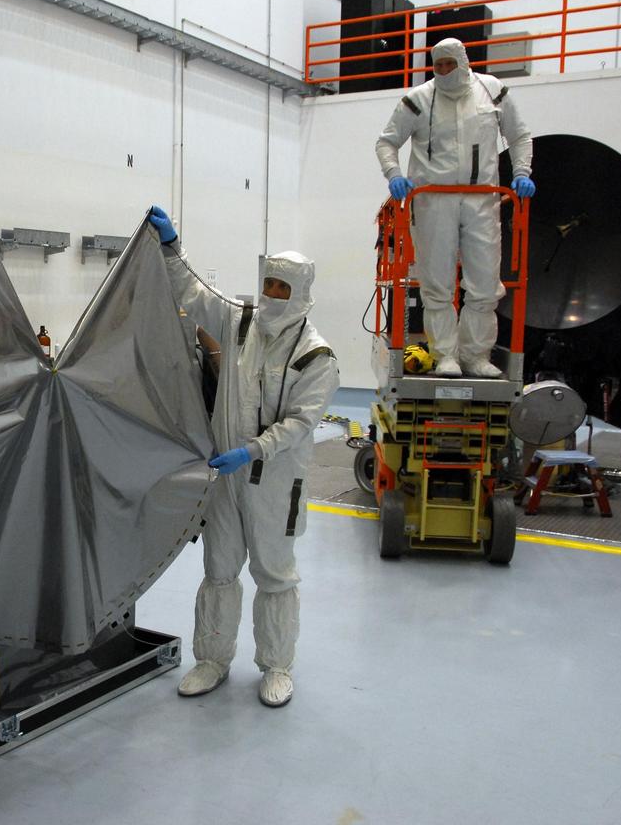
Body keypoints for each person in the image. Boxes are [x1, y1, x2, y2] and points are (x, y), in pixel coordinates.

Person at [147, 205, 340, 707]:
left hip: (275, 481)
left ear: (301, 294)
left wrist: (253, 450)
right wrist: (171, 245)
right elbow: (192, 292)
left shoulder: (315, 355)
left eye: (284, 288)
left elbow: (301, 425)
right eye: (270, 284)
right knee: (219, 568)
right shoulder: (240, 322)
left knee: (274, 574)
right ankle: (211, 659)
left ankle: (276, 667)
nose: (274, 295)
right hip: (225, 479)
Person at [375, 37, 534, 379]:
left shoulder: (493, 92)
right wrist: (394, 176)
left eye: (450, 63)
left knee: (484, 284)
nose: (445, 71)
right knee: (437, 284)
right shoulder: (418, 100)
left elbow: (519, 136)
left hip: (482, 199)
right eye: (439, 65)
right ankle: (446, 354)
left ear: (463, 61)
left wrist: (521, 173)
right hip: (433, 200)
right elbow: (387, 141)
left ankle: (476, 356)